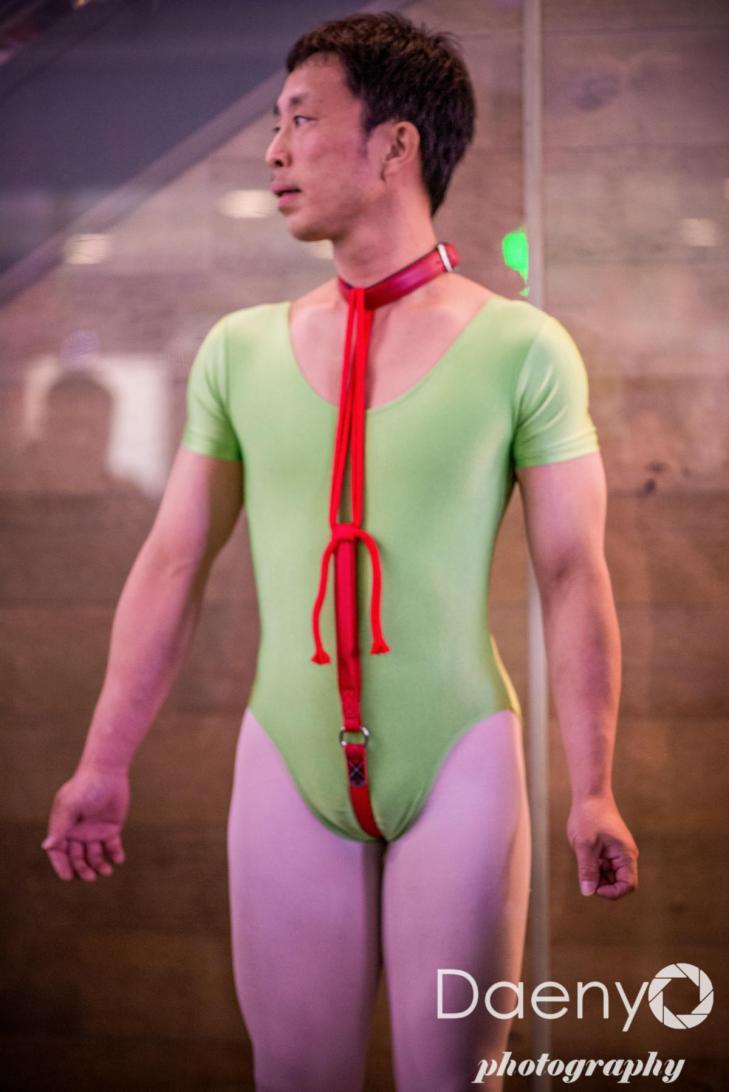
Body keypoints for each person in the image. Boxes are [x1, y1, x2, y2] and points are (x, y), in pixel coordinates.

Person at [42, 12, 639, 1091]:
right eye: (275, 123)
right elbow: (173, 562)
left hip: (458, 762)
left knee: (455, 1079)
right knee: (294, 1075)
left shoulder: (522, 349)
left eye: (302, 120)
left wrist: (591, 788)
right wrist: (102, 761)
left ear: (395, 145)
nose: (274, 150)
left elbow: (572, 574)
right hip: (287, 760)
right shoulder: (237, 352)